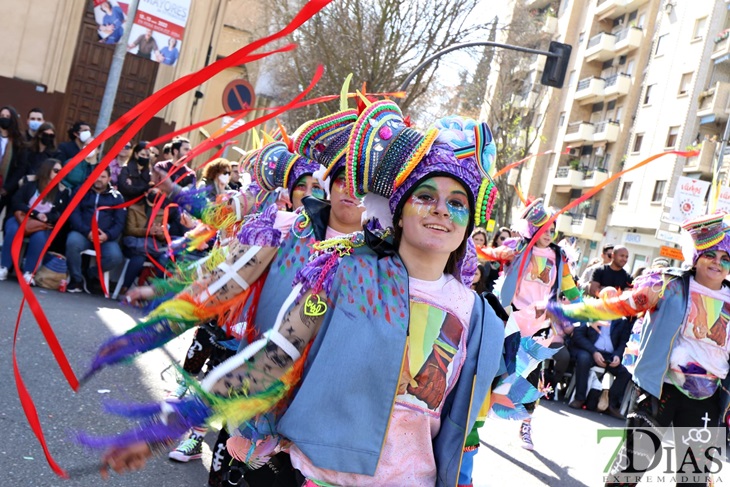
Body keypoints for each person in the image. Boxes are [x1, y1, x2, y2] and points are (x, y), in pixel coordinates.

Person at [83, 106, 510, 487]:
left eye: (457, 202)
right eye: (426, 196)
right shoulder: (343, 270)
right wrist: (166, 425)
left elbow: (462, 431)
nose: (441, 209)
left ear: (470, 222)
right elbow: (272, 357)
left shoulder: (480, 316)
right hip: (316, 475)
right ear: (397, 210)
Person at [548, 213, 730, 486]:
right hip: (660, 388)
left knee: (694, 479)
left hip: (708, 397)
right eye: (710, 254)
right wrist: (563, 309)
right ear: (696, 255)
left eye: (725, 258)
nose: (717, 262)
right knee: (630, 470)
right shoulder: (668, 285)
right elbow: (617, 306)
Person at [481, 198, 581, 451]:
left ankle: (525, 424)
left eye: (552, 229)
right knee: (495, 367)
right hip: (511, 316)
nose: (549, 233)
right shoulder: (518, 248)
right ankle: (477, 415)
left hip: (539, 323)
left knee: (533, 375)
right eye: (544, 228)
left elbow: (569, 288)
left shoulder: (559, 257)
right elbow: (492, 254)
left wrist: (584, 307)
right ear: (532, 229)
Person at [0, 159, 69, 283]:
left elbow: (60, 213)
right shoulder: (30, 184)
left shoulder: (62, 191)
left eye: (61, 171)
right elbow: (16, 202)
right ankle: (4, 266)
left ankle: (29, 273)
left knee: (39, 237)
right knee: (13, 229)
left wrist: (48, 217)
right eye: (56, 171)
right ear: (47, 171)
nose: (59, 174)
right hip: (21, 218)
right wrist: (36, 214)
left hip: (42, 224)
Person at [65, 167, 126, 293]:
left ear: (109, 179)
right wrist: (87, 232)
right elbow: (74, 214)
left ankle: (89, 274)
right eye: (97, 176)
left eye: (103, 177)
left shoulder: (116, 197)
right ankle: (76, 279)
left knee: (115, 257)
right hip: (84, 233)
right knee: (72, 242)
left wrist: (107, 235)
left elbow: (120, 223)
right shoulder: (81, 191)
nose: (99, 179)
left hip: (105, 238)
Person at [120, 188, 185, 293]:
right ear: (145, 194)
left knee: (163, 259)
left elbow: (164, 237)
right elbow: (129, 230)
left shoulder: (162, 212)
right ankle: (125, 287)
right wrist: (148, 231)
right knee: (139, 258)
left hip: (153, 247)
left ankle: (153, 290)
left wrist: (159, 233)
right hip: (135, 245)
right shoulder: (134, 208)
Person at [567, 318, 632, 419]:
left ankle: (610, 404)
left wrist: (618, 355)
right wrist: (594, 352)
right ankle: (579, 398)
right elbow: (578, 335)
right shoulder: (592, 313)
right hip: (589, 350)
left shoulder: (622, 321)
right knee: (583, 359)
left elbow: (624, 342)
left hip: (610, 355)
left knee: (626, 372)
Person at [0, 106, 24, 216]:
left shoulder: (19, 141)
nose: (4, 119)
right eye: (2, 116)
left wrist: (7, 188)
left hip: (5, 187)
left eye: (8, 117)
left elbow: (21, 167)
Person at [483, 226, 511, 292]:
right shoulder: (490, 255)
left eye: (508, 239)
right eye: (502, 238)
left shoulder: (513, 258)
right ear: (496, 239)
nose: (505, 242)